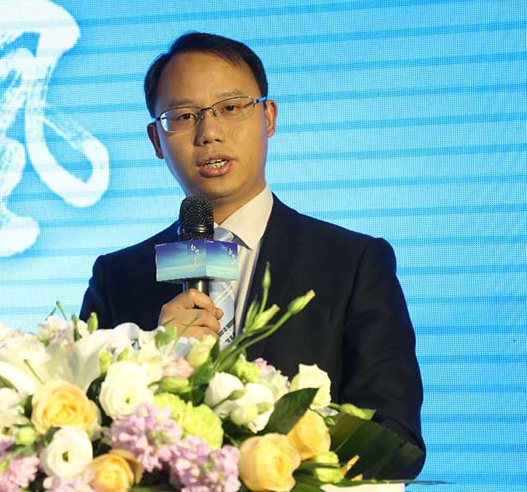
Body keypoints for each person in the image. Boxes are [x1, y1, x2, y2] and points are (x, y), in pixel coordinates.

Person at [80, 32, 425, 476]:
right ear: (156, 140)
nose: (209, 133)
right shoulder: (119, 278)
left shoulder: (352, 263)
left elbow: (395, 439)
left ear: (268, 117)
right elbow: (84, 439)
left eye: (230, 108)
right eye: (183, 116)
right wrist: (150, 356)